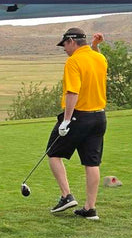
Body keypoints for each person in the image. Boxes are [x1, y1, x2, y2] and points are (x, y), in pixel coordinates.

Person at [46, 27, 108, 220]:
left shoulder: (73, 61)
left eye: (64, 44)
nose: (64, 48)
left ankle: (66, 196)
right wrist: (95, 46)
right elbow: (97, 63)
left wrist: (65, 121)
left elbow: (72, 92)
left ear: (71, 41)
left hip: (78, 117)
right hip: (99, 117)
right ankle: (90, 208)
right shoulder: (99, 58)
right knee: (92, 162)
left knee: (53, 153)